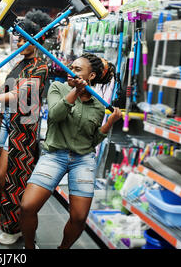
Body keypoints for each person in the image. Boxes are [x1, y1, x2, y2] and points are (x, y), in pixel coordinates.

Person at [19, 53, 122, 249]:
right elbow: (56, 115)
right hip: (54, 155)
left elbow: (92, 141)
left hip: (83, 159)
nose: (70, 71)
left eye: (77, 69)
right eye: (70, 67)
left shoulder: (98, 104)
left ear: (91, 76)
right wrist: (75, 91)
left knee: (79, 217)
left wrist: (108, 124)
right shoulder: (58, 87)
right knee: (27, 206)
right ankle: (30, 247)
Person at [0, 10, 51, 245]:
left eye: (23, 37)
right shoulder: (19, 62)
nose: (19, 41)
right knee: (3, 179)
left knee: (12, 178)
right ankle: (15, 224)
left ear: (37, 39)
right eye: (18, 38)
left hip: (24, 129)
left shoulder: (41, 66)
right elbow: (2, 89)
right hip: (7, 123)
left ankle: (20, 225)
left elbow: (18, 94)